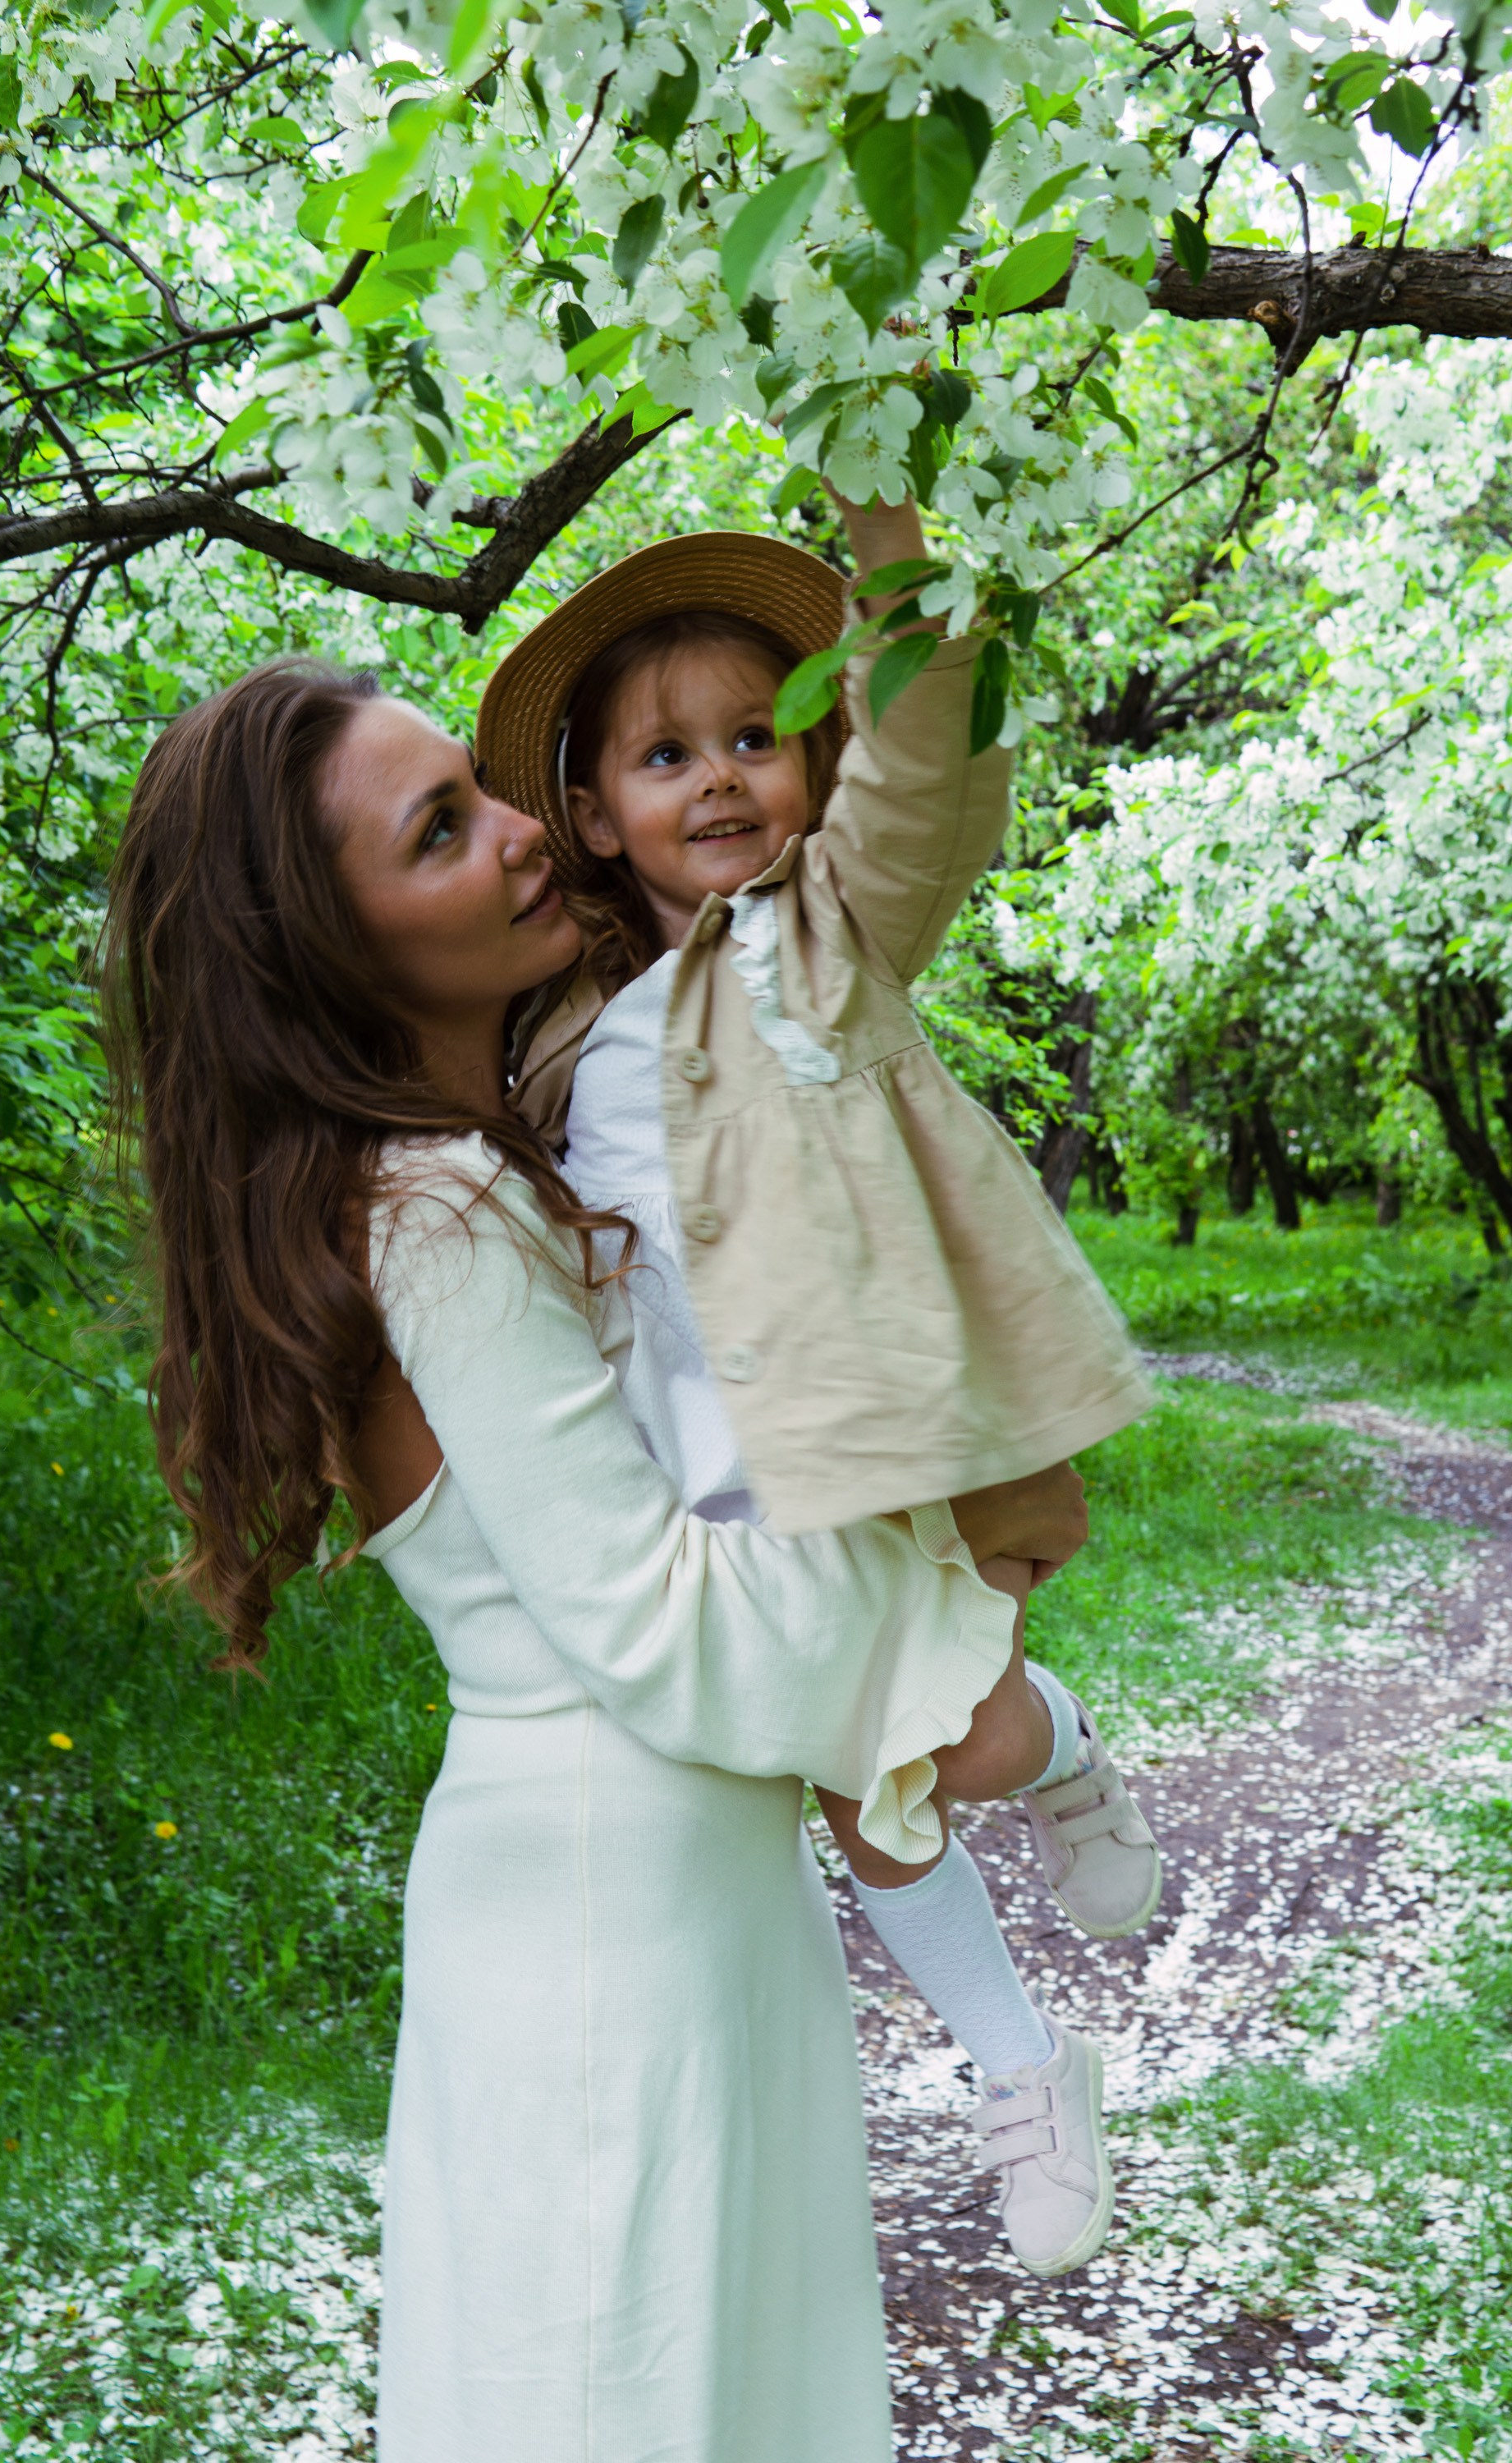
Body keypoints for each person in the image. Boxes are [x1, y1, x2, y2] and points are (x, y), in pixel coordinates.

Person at [103, 657, 1110, 2463]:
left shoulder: (509, 1151)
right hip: (604, 1928)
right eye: (437, 833)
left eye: (476, 792)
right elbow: (659, 1619)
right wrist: (946, 1593)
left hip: (684, 1893)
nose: (515, 831)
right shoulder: (433, 1215)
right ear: (326, 954)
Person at [473, 498, 1162, 2198]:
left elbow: (931, 781)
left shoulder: (822, 944)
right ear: (590, 814)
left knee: (946, 1756)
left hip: (868, 1452)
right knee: (864, 1782)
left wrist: (894, 551)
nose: (715, 780)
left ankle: (1050, 1820)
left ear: (814, 761)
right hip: (710, 1488)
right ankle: (1026, 2011)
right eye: (662, 757)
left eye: (752, 740)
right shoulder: (554, 1026)